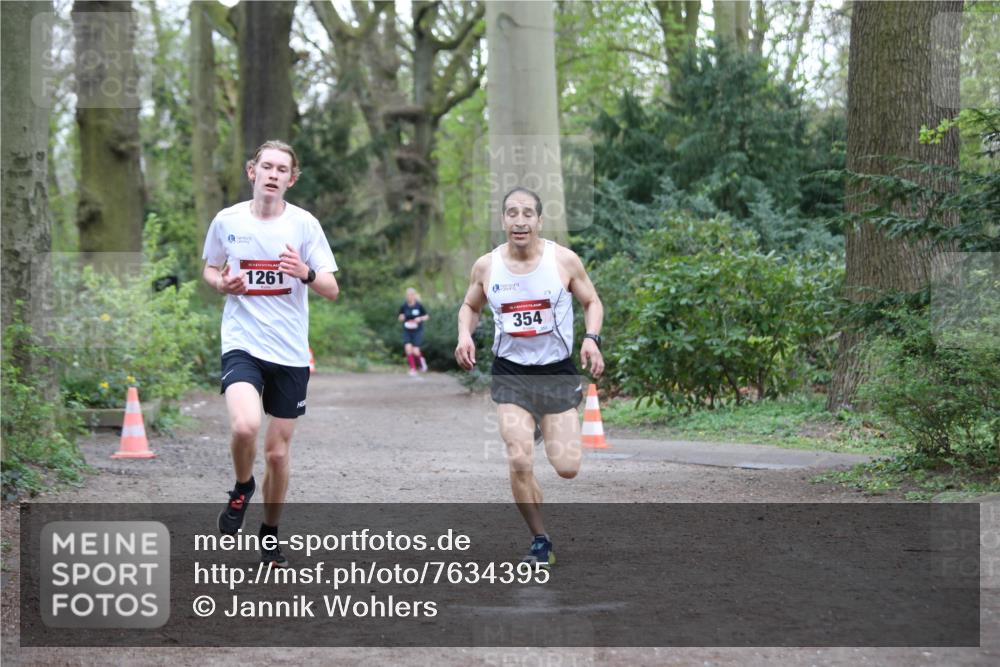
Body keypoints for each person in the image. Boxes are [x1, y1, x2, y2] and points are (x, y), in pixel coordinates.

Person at [202, 140, 340, 567]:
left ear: (291, 179)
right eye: (267, 166)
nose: (274, 174)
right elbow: (210, 267)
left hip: (290, 351)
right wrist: (220, 284)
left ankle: (270, 530)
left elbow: (332, 289)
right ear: (252, 171)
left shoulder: (304, 225)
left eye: (283, 169)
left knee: (277, 453)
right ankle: (243, 488)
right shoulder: (227, 220)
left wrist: (306, 272)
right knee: (245, 427)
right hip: (242, 341)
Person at [455, 186, 604, 568]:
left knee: (568, 468)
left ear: (539, 220)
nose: (519, 220)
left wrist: (591, 339)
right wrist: (464, 334)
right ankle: (541, 539)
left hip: (555, 373)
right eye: (511, 213)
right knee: (520, 458)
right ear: (503, 219)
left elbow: (591, 301)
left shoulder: (564, 261)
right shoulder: (487, 266)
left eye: (527, 213)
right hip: (512, 375)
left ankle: (543, 425)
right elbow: (470, 305)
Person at [398, 287, 430, 375]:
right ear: (406, 296)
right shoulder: (403, 306)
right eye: (408, 295)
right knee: (408, 349)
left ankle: (422, 363)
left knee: (415, 351)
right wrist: (401, 317)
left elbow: (427, 316)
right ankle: (413, 369)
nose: (409, 297)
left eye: (411, 295)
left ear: (414, 296)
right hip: (407, 330)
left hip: (417, 331)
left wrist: (420, 318)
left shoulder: (419, 306)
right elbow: (400, 317)